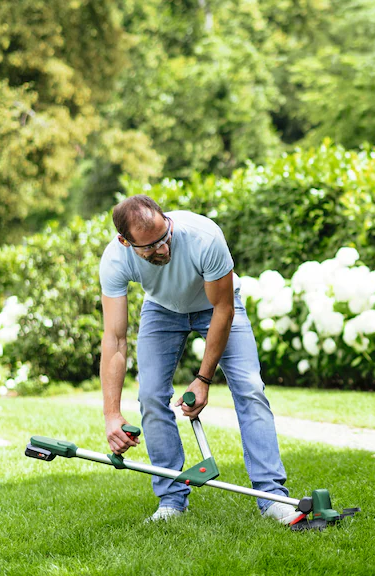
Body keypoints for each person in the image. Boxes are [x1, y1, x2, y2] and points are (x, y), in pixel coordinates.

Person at [98, 194, 299, 524]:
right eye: (149, 247)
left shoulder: (205, 237)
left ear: (167, 221)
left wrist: (203, 379)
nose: (162, 249)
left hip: (216, 305)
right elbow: (115, 340)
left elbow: (223, 309)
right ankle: (171, 501)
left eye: (165, 237)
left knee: (250, 387)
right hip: (162, 309)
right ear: (125, 242)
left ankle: (273, 497)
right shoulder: (115, 260)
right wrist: (112, 414)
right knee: (150, 395)